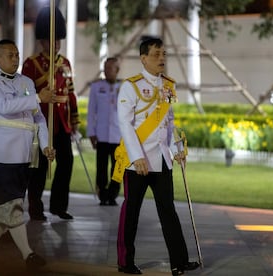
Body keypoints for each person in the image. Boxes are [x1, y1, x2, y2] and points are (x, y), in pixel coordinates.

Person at [114, 38, 200, 275]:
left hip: (161, 159)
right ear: (143, 58)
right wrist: (135, 156)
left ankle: (179, 261)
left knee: (168, 211)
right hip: (138, 162)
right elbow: (125, 123)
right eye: (156, 54)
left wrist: (175, 150)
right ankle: (125, 261)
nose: (161, 59)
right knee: (131, 211)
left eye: (163, 54)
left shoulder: (169, 86)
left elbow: (168, 122)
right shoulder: (130, 86)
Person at [0, 39, 55, 271]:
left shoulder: (27, 82)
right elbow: (3, 106)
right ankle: (27, 254)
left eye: (17, 54)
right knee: (12, 208)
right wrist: (39, 97)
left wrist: (45, 145)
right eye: (9, 55)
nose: (15, 59)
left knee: (5, 210)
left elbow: (38, 117)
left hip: (23, 156)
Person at [22, 7, 79, 221]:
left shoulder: (65, 63)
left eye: (58, 40)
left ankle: (58, 206)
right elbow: (26, 93)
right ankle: (35, 208)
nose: (55, 44)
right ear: (42, 41)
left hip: (62, 122)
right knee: (39, 168)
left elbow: (71, 93)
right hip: (42, 121)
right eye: (51, 40)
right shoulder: (32, 63)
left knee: (66, 164)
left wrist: (74, 120)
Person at [87, 57, 121, 206]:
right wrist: (91, 133)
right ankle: (102, 194)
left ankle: (113, 195)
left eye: (111, 68)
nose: (107, 71)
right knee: (101, 168)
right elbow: (91, 111)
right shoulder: (96, 87)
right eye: (106, 68)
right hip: (101, 134)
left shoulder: (124, 87)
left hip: (118, 136)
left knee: (117, 168)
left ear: (117, 70)